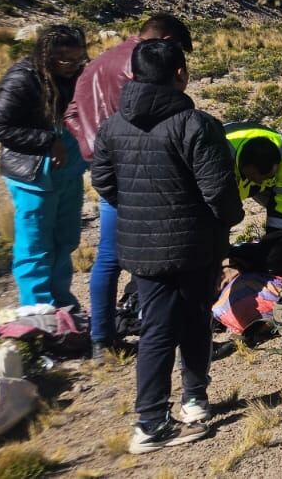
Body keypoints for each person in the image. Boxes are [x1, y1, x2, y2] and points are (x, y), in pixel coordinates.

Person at [91, 40, 244, 454]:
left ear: (134, 75)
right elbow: (220, 193)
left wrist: (140, 210)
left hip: (142, 247)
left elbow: (103, 181)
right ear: (181, 74)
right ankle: (160, 418)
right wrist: (227, 222)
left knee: (159, 326)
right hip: (196, 245)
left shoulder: (111, 127)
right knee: (193, 319)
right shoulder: (195, 124)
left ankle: (177, 406)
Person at [64, 13, 193, 362]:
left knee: (109, 256)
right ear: (167, 41)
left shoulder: (97, 63)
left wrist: (93, 148)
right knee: (163, 252)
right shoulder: (140, 65)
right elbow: (151, 115)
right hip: (144, 168)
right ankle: (167, 335)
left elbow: (71, 112)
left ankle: (101, 339)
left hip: (108, 169)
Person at [0, 24, 89, 307]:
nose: (71, 65)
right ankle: (37, 308)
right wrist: (47, 141)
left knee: (65, 240)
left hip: (69, 172)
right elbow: (1, 126)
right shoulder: (22, 78)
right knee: (35, 244)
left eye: (77, 59)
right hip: (33, 176)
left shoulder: (76, 75)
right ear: (46, 55)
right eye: (64, 59)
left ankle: (61, 303)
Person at [224, 122, 282, 244]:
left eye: (266, 177)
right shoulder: (219, 158)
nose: (259, 182)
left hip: (264, 181)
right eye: (253, 177)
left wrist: (275, 237)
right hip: (224, 177)